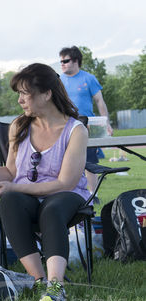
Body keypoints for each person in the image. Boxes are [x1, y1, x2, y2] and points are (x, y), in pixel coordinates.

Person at [0, 63, 90, 301]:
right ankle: (39, 281)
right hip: (25, 197)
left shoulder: (76, 130)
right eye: (18, 94)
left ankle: (56, 288)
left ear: (46, 94)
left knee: (51, 209)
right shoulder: (19, 126)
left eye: (25, 93)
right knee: (9, 202)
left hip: (66, 195)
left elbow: (65, 183)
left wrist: (14, 187)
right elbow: (11, 173)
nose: (20, 100)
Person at [59, 46, 113, 196]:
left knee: (89, 162)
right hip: (64, 127)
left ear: (76, 61)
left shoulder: (89, 78)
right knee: (65, 163)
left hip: (86, 128)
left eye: (66, 61)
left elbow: (99, 101)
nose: (62, 64)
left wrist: (106, 123)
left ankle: (92, 195)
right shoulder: (58, 81)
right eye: (61, 61)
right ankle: (70, 193)